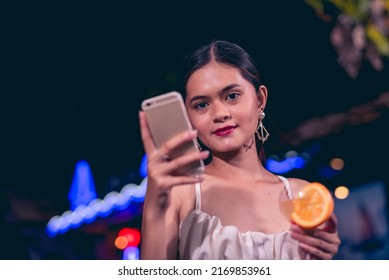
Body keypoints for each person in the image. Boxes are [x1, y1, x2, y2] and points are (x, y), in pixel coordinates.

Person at [139, 40, 340, 260]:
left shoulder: (303, 194)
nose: (219, 113)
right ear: (188, 117)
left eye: (232, 96)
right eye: (201, 105)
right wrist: (154, 209)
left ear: (260, 99)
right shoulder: (181, 192)